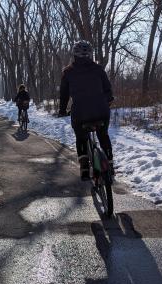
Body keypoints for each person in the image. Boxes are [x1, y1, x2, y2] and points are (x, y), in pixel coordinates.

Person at [59, 40, 114, 180]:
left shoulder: (68, 72)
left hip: (80, 113)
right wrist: (107, 101)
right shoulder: (98, 69)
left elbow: (64, 95)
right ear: (90, 54)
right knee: (103, 135)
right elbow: (108, 91)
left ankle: (84, 168)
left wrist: (62, 110)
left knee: (81, 138)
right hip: (101, 110)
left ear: (74, 54)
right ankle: (110, 163)